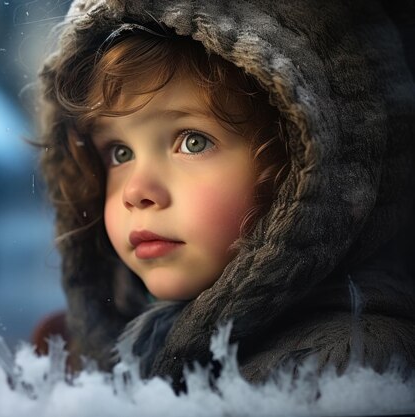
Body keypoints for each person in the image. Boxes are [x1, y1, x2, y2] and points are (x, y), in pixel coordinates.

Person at [34, 0, 415, 390]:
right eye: (120, 153)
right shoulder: (86, 350)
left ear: (301, 168)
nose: (136, 191)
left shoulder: (345, 369)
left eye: (193, 142)